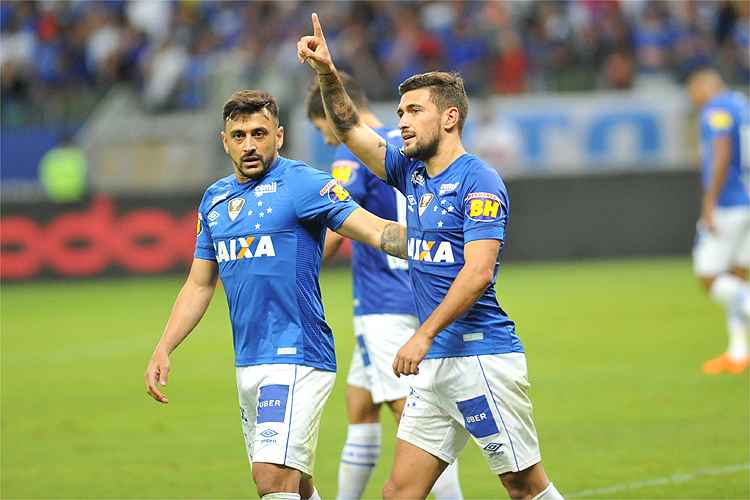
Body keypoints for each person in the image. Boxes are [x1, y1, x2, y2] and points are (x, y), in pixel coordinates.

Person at [297, 14, 563, 500]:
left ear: (449, 118)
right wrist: (327, 74)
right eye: (399, 111)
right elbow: (352, 128)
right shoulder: (410, 173)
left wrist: (421, 334)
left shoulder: (478, 180)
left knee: (523, 486)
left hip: (479, 354)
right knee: (399, 493)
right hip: (436, 364)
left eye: (414, 110)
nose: (401, 120)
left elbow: (478, 271)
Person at [144, 90, 409, 500]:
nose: (249, 144)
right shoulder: (214, 200)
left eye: (259, 133)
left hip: (297, 354)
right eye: (239, 135)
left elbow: (375, 230)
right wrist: (165, 345)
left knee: (271, 478)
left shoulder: (305, 183)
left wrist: (443, 241)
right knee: (298, 484)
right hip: (249, 359)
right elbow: (199, 284)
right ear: (224, 141)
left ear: (279, 136)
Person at [306, 74, 463, 500]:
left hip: (383, 302)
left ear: (332, 116)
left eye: (326, 132)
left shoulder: (356, 151)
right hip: (421, 289)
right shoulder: (410, 141)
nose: (330, 141)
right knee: (360, 403)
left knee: (413, 419)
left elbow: (340, 218)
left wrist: (300, 270)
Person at [687, 68, 750, 375]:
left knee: (708, 276)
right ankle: (738, 352)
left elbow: (722, 150)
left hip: (729, 203)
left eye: (693, 92)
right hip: (748, 201)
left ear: (705, 85)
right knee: (737, 276)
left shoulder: (718, 110)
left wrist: (709, 200)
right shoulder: (743, 104)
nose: (693, 100)